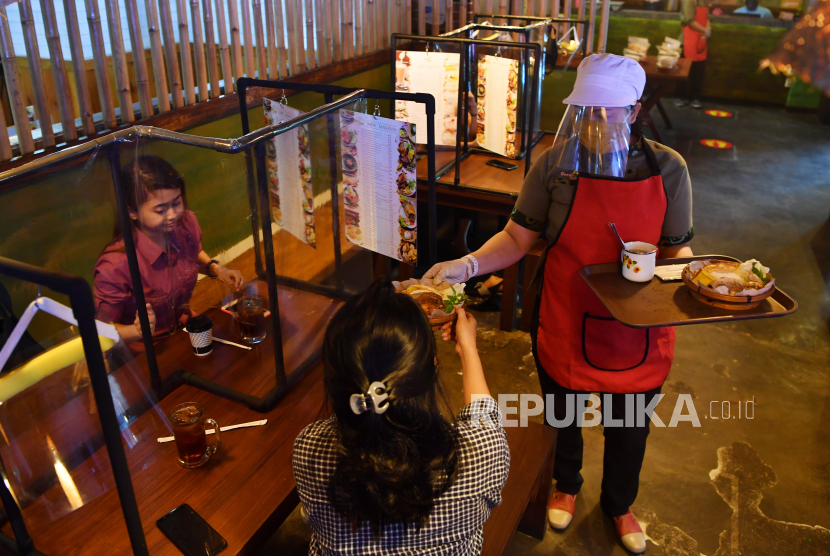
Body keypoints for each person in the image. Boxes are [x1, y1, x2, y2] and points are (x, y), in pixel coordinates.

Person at [423, 54, 694, 554]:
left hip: (637, 326)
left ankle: (619, 504)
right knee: (564, 416)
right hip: (567, 315)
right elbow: (516, 238)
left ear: (633, 112)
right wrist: (466, 265)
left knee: (629, 427)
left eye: (605, 110)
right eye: (584, 110)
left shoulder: (668, 168)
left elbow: (677, 248)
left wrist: (696, 283)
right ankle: (566, 484)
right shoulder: (555, 164)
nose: (593, 121)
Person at [292, 279, 509, 554]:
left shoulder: (308, 449)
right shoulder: (482, 453)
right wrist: (468, 347)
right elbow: (485, 415)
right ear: (432, 366)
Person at [94, 155, 243, 346]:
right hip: (145, 349)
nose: (172, 215)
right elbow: (101, 332)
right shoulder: (115, 265)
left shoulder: (186, 223)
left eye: (176, 203)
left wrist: (217, 270)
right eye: (160, 210)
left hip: (183, 327)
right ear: (132, 211)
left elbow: (190, 253)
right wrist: (136, 330)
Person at [675, 0, 712, 109]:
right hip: (687, 40)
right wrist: (705, 30)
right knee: (684, 71)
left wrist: (707, 30)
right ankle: (680, 97)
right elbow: (688, 20)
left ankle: (694, 97)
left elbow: (707, 17)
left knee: (698, 71)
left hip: (701, 39)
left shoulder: (704, 1)